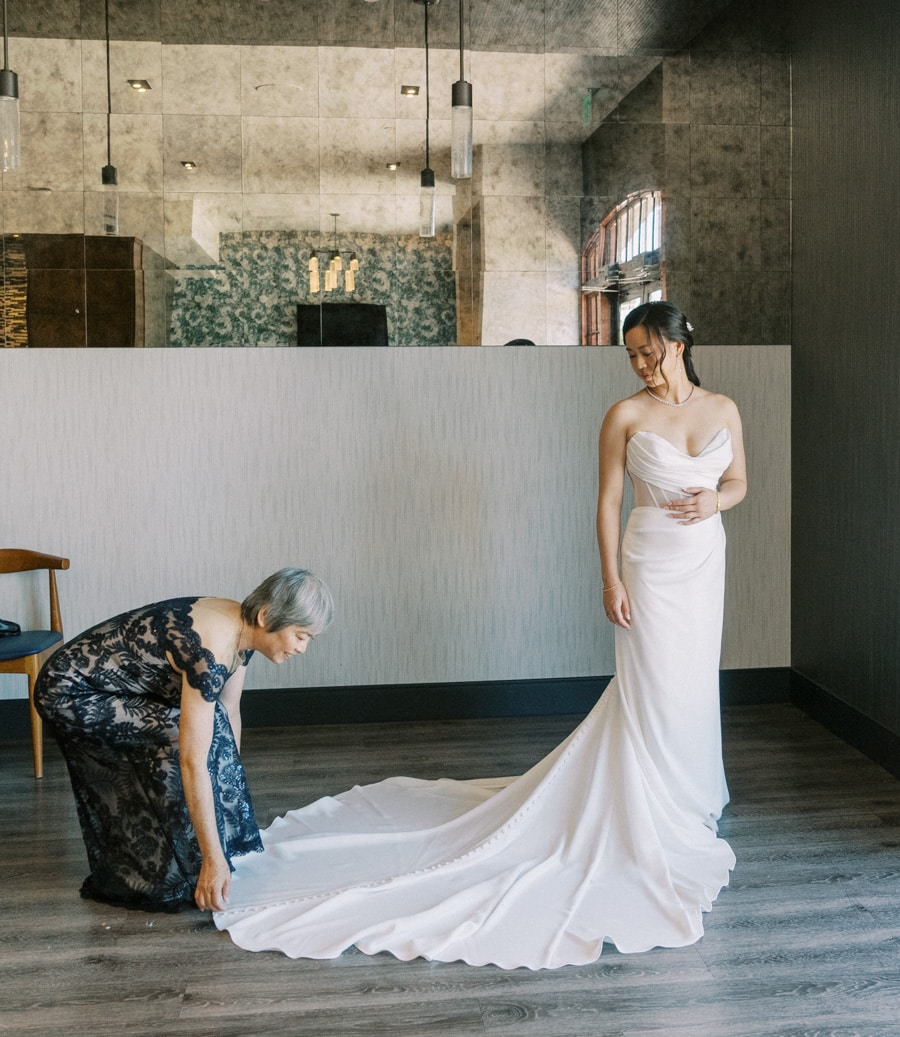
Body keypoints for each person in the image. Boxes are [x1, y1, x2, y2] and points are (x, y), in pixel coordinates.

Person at [214, 303, 746, 968]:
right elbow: (608, 502)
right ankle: (641, 806)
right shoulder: (625, 415)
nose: (639, 364)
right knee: (652, 684)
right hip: (650, 560)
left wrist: (714, 502)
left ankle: (687, 796)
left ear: (677, 343)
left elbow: (738, 482)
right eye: (631, 354)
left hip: (703, 560)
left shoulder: (723, 408)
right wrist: (610, 580)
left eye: (647, 351)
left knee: (693, 680)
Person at [35, 568, 334, 913]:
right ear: (267, 616)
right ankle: (178, 868)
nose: (303, 648)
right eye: (301, 635)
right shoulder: (210, 648)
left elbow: (229, 712)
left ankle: (186, 852)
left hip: (108, 687)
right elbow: (192, 759)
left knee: (208, 730)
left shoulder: (244, 630)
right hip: (69, 692)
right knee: (180, 738)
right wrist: (212, 859)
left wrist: (226, 800)